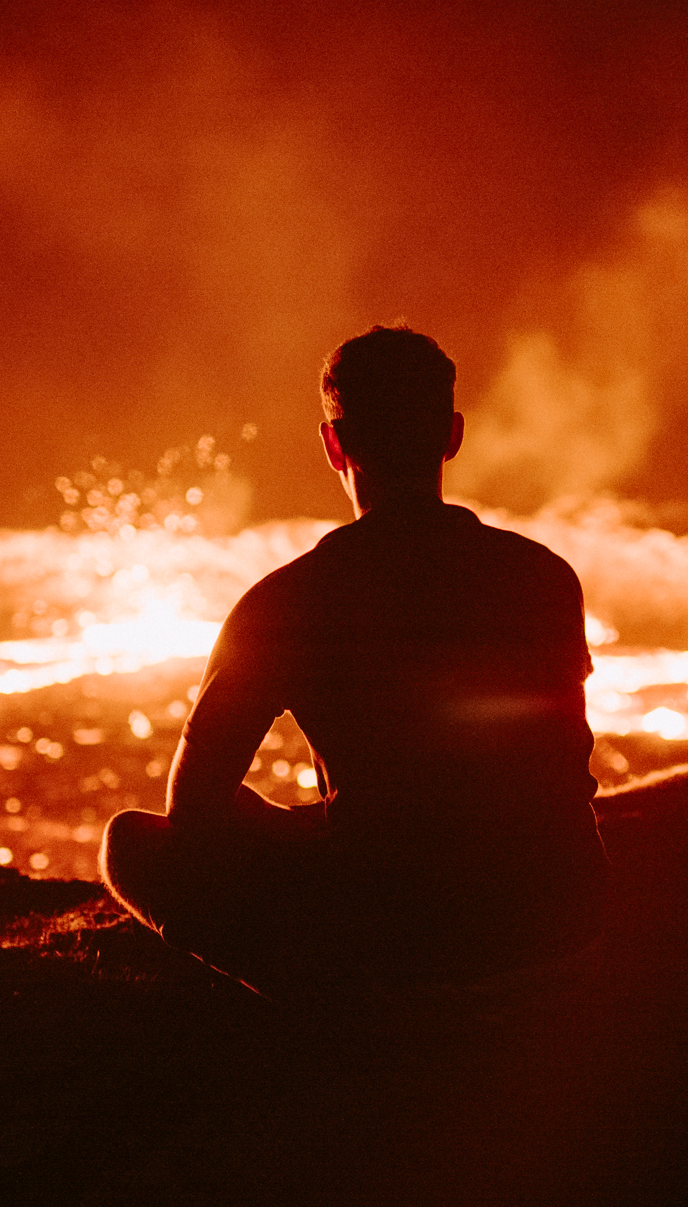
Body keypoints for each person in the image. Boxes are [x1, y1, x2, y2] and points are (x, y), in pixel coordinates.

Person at [99, 325, 608, 994]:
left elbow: (193, 816)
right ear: (451, 435)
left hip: (396, 927)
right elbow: (548, 767)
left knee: (129, 844)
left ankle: (344, 1000)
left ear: (333, 443)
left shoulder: (284, 602)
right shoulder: (544, 576)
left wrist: (282, 827)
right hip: (557, 912)